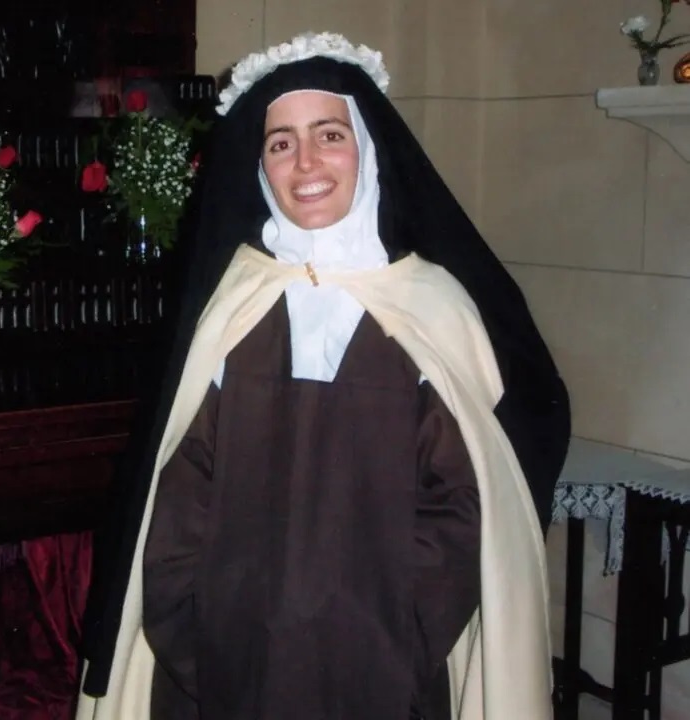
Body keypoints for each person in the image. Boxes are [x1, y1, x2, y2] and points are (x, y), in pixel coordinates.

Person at [75, 32, 571, 720]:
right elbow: (178, 493)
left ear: (366, 147)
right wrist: (198, 636)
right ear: (259, 165)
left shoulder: (431, 305)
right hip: (222, 664)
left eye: (329, 134)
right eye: (280, 142)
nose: (305, 162)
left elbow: (462, 505)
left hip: (385, 671)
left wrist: (394, 643)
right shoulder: (233, 304)